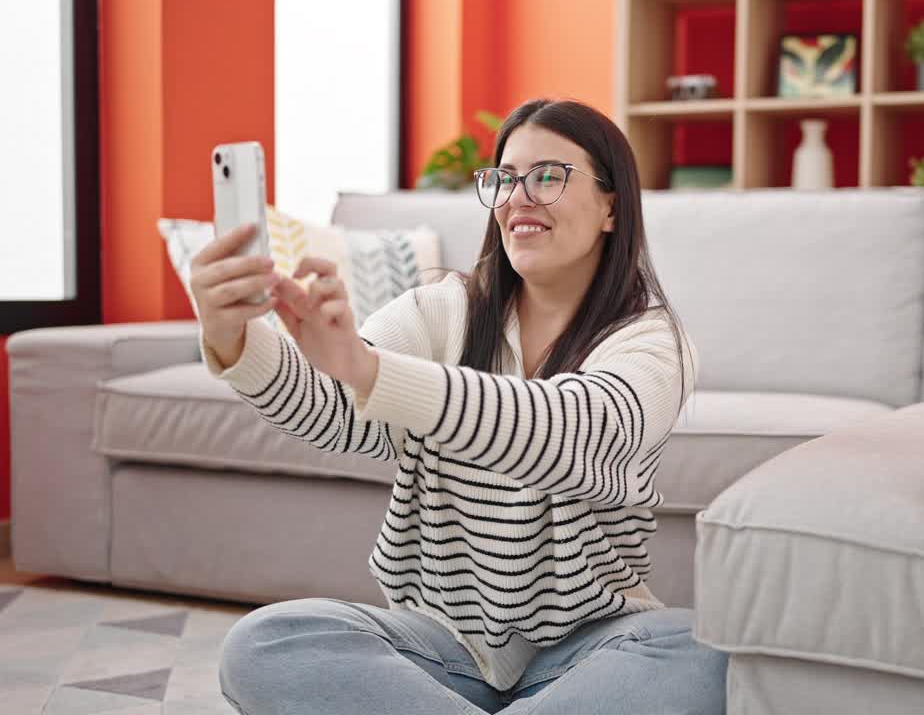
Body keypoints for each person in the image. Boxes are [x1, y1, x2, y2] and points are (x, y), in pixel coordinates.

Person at [191, 98, 727, 714]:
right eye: (504, 178)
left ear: (611, 205)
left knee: (696, 651)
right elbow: (335, 411)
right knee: (268, 641)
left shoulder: (651, 341)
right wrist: (232, 336)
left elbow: (569, 431)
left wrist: (371, 371)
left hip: (589, 648)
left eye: (548, 176)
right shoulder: (440, 309)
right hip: (441, 649)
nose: (517, 197)